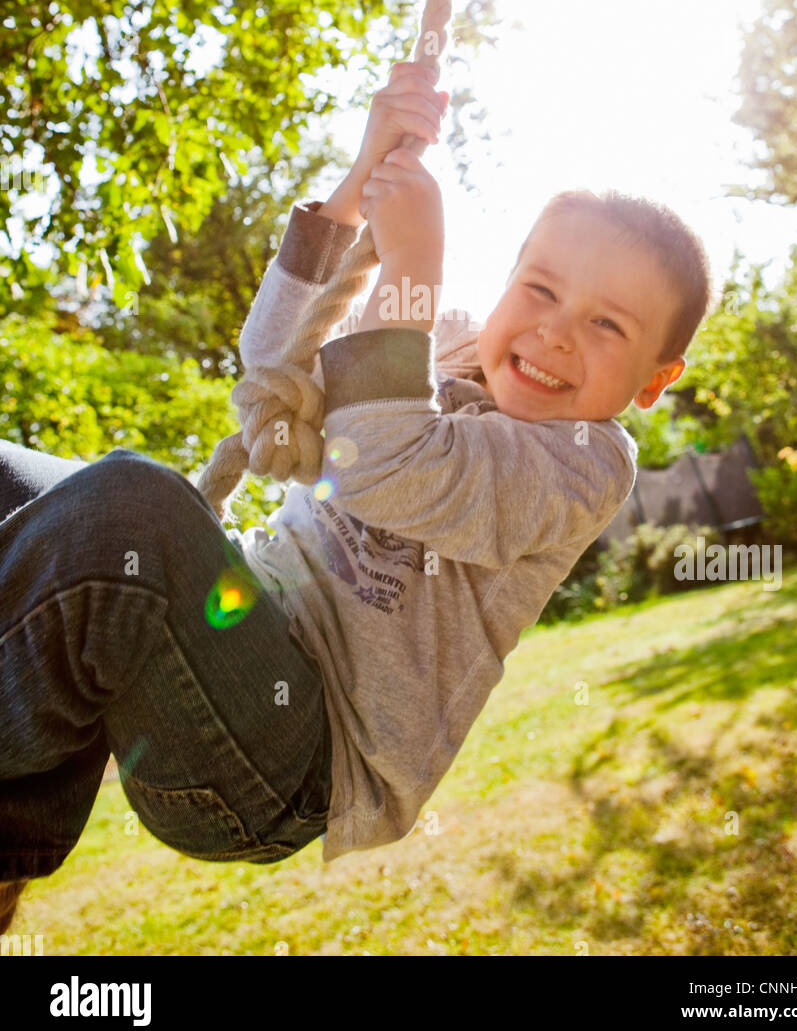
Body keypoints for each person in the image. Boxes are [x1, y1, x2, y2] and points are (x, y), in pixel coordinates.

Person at [0, 62, 713, 931]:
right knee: (24, 484)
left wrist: (411, 263)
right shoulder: (441, 348)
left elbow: (384, 463)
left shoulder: (581, 461)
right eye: (540, 289)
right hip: (226, 632)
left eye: (608, 325)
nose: (557, 332)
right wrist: (356, 188)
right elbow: (270, 364)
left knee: (130, 512)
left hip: (291, 756)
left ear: (654, 380)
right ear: (510, 279)